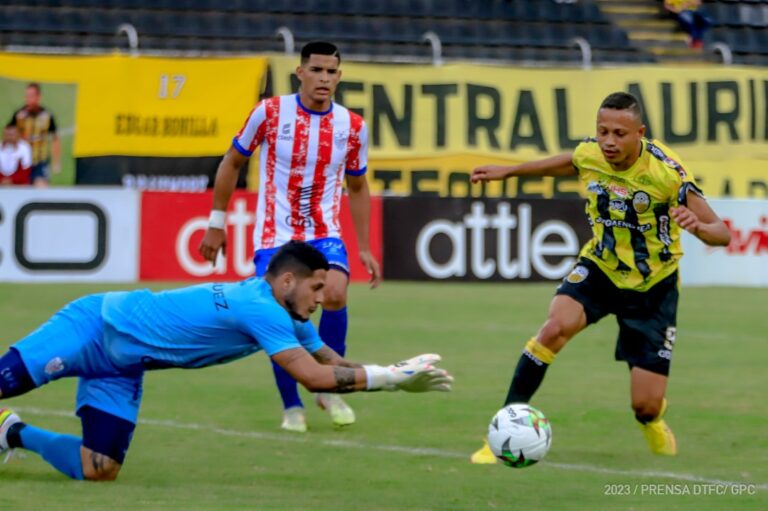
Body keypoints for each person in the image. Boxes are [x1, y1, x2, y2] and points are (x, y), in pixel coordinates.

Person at [0, 241, 452, 481]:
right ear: (288, 281)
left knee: (98, 468)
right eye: (316, 289)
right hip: (94, 327)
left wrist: (392, 373)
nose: (322, 299)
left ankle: (10, 431)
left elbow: (334, 362)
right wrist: (389, 381)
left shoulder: (292, 316)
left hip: (123, 365)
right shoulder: (261, 307)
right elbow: (315, 379)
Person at [468, 91, 731, 464]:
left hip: (652, 286)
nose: (609, 141)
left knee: (644, 405)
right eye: (602, 131)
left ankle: (652, 419)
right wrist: (509, 170)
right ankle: (501, 430)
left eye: (619, 134)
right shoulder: (593, 153)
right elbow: (569, 162)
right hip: (601, 268)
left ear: (640, 132)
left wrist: (697, 227)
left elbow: (722, 232)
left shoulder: (666, 173)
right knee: (553, 329)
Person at [199, 41, 382, 433]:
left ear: (339, 76)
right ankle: (291, 405)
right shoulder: (268, 113)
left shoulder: (352, 126)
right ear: (300, 72)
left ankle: (328, 386)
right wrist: (217, 222)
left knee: (334, 292)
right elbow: (232, 161)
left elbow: (358, 185)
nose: (324, 78)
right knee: (283, 313)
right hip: (275, 234)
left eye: (331, 72)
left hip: (324, 233)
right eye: (316, 70)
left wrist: (364, 245)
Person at [8, 82, 61, 187]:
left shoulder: (46, 115)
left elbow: (55, 138)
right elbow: (8, 136)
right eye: (27, 96)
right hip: (21, 162)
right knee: (18, 190)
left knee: (41, 188)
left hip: (40, 161)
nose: (28, 99)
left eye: (31, 96)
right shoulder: (19, 115)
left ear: (38, 97)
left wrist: (56, 162)